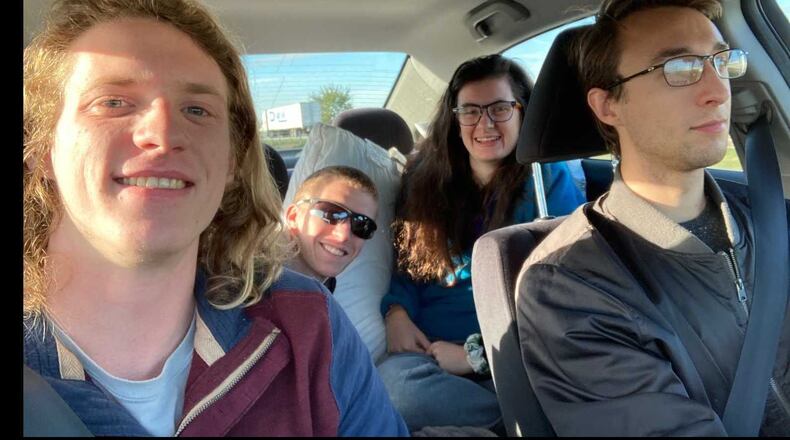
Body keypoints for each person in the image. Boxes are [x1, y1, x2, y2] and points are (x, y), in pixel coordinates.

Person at [22, 0, 408, 436]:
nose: (163, 134)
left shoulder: (311, 328)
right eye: (113, 102)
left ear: (231, 162)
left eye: (197, 110)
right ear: (40, 148)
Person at [516, 0, 790, 436]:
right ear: (608, 106)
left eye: (723, 61)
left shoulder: (771, 214)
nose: (718, 92)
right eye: (680, 68)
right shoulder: (569, 287)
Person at [376, 54, 585, 432]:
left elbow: (559, 294)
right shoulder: (422, 183)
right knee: (394, 390)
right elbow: (406, 267)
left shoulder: (544, 181)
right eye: (470, 111)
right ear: (454, 119)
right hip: (431, 356)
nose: (485, 124)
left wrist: (476, 357)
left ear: (523, 112)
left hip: (518, 352)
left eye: (500, 109)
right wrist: (397, 313)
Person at [284, 165, 379, 293]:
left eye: (362, 225)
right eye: (331, 214)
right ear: (293, 217)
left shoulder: (325, 287)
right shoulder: (255, 287)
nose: (344, 235)